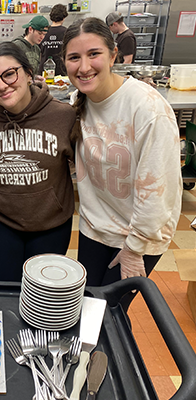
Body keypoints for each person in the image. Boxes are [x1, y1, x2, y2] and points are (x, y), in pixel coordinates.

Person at [62, 17, 182, 311]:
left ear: (113, 54)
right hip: (96, 228)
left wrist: (134, 248)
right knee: (87, 307)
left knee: (110, 315)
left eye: (94, 54)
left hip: (140, 235)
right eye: (74, 57)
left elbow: (158, 189)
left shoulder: (147, 108)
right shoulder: (79, 101)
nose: (84, 66)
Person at [0, 41, 76, 282]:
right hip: (4, 223)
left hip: (51, 224)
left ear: (29, 73)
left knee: (42, 298)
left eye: (9, 74)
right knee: (2, 294)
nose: (2, 86)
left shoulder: (63, 116)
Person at [40, 3, 68, 76]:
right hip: (62, 71)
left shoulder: (43, 32)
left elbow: (39, 53)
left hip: (44, 71)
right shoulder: (67, 32)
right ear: (64, 17)